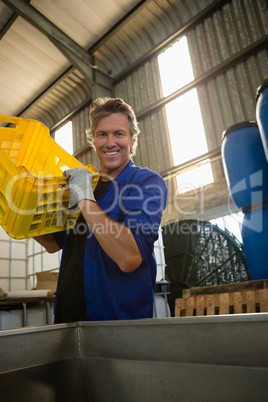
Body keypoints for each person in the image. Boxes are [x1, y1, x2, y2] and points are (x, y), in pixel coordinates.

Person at [34, 97, 167, 323]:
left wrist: (85, 199)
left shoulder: (146, 182)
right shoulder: (85, 184)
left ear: (133, 141)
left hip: (115, 321)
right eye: (102, 134)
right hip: (67, 317)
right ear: (93, 141)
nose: (110, 142)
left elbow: (129, 257)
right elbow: (52, 244)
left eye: (119, 134)